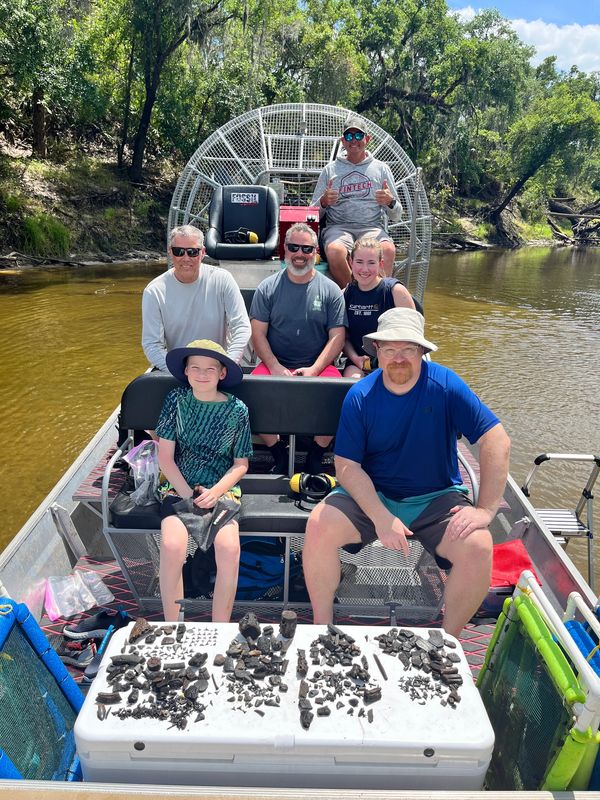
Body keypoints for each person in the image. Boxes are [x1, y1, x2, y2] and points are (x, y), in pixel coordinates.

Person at [302, 308, 510, 637]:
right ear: (377, 353)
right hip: (374, 494)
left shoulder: (446, 386)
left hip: (435, 498)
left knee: (479, 545)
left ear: (422, 352)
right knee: (318, 525)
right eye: (389, 349)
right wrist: (382, 518)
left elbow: (496, 439)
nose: (399, 358)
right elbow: (346, 466)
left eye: (408, 349)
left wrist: (485, 510)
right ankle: (321, 628)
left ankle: (448, 642)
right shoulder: (360, 395)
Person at [155, 339, 252, 622]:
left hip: (221, 489)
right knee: (173, 546)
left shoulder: (238, 410)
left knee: (229, 548)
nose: (201, 374)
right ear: (185, 371)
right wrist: (189, 495)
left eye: (210, 368)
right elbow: (165, 459)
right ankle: (173, 625)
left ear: (222, 373)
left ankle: (219, 626)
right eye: (195, 367)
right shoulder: (175, 401)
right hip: (178, 486)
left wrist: (214, 493)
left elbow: (240, 464)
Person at [249, 222, 346, 474]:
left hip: (318, 366)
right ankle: (278, 451)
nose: (300, 254)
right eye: (294, 247)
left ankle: (317, 453)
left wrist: (314, 369)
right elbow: (257, 333)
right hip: (275, 363)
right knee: (249, 395)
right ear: (285, 249)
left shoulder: (331, 290)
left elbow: (337, 336)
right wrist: (274, 366)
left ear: (316, 252)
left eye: (307, 248)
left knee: (342, 397)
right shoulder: (267, 288)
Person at [311, 114, 402, 288]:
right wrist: (323, 202)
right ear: (342, 141)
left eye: (359, 135)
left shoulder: (381, 169)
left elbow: (397, 216)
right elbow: (312, 213)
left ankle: (379, 296)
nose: (354, 140)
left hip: (371, 228)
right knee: (335, 251)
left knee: (388, 250)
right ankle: (355, 295)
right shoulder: (330, 170)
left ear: (368, 139)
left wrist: (390, 202)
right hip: (338, 228)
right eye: (349, 136)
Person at [142, 225, 251, 371]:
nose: (186, 258)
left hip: (218, 368)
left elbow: (241, 326)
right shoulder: (154, 291)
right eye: (179, 251)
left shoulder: (223, 279)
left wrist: (228, 363)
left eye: (192, 252)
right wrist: (180, 372)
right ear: (170, 252)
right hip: (179, 370)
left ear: (203, 252)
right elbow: (152, 344)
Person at [343, 237, 415, 378]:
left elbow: (414, 334)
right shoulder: (346, 294)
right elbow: (343, 338)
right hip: (358, 363)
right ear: (351, 263)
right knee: (354, 383)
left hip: (395, 361)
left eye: (371, 263)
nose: (365, 269)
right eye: (359, 262)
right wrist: (356, 359)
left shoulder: (395, 291)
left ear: (380, 264)